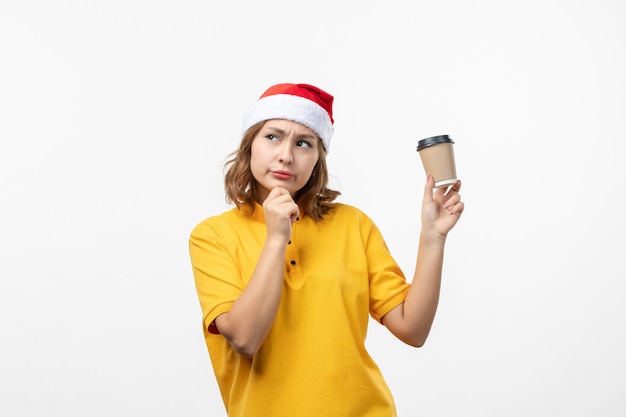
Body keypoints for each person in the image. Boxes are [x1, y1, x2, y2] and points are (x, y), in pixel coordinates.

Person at [189, 83, 464, 417]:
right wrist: (277, 238)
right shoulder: (213, 236)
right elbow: (245, 339)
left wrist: (432, 237)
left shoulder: (353, 225)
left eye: (303, 143)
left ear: (317, 158)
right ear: (250, 146)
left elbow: (413, 329)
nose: (286, 155)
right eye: (272, 137)